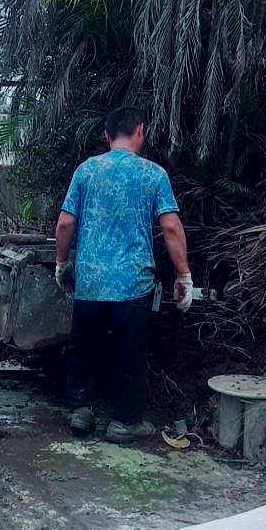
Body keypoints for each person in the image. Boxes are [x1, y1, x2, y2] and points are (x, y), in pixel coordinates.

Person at [54, 105, 192, 443]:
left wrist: (61, 262)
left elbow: (65, 222)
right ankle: (123, 423)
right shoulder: (153, 174)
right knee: (129, 354)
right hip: (132, 284)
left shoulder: (86, 171)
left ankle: (82, 411)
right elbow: (171, 227)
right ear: (140, 131)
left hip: (90, 282)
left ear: (106, 135)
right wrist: (183, 276)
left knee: (84, 348)